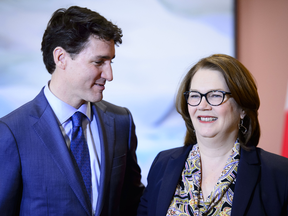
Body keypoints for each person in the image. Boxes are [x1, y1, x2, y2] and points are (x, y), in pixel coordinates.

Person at [0, 6, 144, 216]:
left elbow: (134, 203)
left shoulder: (121, 121)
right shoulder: (12, 132)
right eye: (99, 62)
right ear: (61, 58)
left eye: (111, 62)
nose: (110, 74)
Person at [137, 54, 288, 216]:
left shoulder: (279, 173)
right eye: (195, 95)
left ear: (243, 108)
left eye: (215, 95)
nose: (202, 105)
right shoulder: (163, 163)